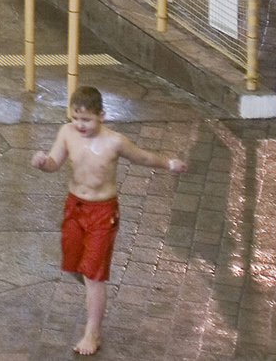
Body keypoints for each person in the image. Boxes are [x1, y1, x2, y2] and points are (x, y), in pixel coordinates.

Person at [30, 86, 188, 357]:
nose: (80, 125)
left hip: (103, 212)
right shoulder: (66, 133)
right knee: (73, 267)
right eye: (76, 118)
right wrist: (43, 162)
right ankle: (96, 289)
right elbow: (55, 162)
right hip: (74, 207)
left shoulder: (115, 141)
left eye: (87, 120)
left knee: (92, 273)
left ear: (101, 116)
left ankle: (93, 331)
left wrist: (168, 163)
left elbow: (142, 157)